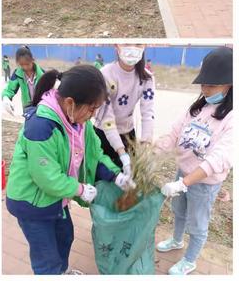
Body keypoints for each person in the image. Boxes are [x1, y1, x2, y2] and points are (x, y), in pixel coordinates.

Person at [6, 66, 135, 274]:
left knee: (65, 237)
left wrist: (116, 175)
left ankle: (62, 272)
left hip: (57, 198)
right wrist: (80, 189)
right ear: (70, 103)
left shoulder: (80, 122)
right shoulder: (41, 127)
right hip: (32, 203)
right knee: (45, 256)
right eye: (91, 109)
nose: (93, 115)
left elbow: (95, 154)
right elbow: (46, 178)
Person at [155, 47, 232, 275]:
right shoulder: (199, 107)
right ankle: (177, 240)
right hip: (184, 172)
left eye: (211, 85)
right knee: (179, 210)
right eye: (203, 84)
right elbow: (174, 134)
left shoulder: (232, 117)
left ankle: (190, 260)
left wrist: (184, 183)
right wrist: (152, 152)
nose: (205, 90)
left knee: (198, 224)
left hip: (204, 183)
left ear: (229, 84)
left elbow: (218, 160)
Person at [94, 44, 155, 173]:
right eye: (127, 43)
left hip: (128, 134)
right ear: (117, 45)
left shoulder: (146, 78)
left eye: (138, 44)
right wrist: (121, 153)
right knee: (103, 177)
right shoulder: (105, 74)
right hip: (103, 134)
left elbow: (147, 113)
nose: (132, 48)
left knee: (128, 179)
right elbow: (107, 119)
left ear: (144, 46)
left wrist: (145, 146)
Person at [2, 46, 44, 116]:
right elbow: (9, 90)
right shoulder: (17, 74)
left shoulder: (42, 74)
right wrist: (5, 98)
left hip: (42, 108)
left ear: (32, 60)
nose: (25, 67)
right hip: (27, 108)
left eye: (27, 64)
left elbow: (50, 92)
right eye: (21, 65)